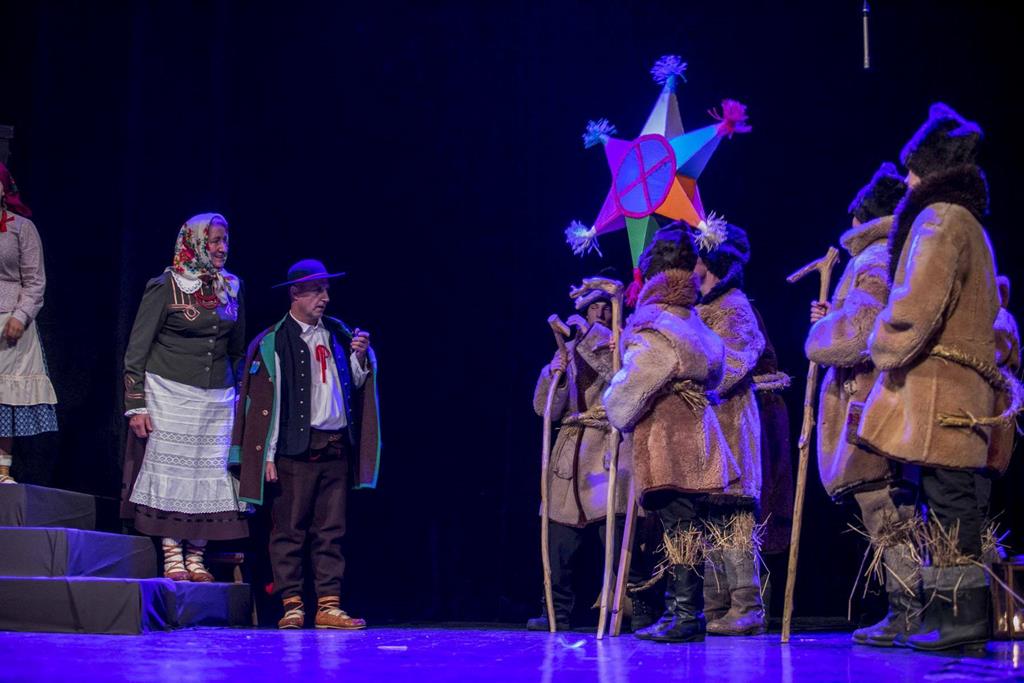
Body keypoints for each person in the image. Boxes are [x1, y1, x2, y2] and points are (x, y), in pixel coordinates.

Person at [857, 103, 998, 651]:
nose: (908, 182)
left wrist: (882, 344)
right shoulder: (969, 222)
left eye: (913, 171)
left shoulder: (939, 219)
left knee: (950, 498)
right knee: (950, 495)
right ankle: (950, 615)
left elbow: (917, 303)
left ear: (931, 171)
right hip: (962, 384)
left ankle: (961, 618)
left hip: (943, 385)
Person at [230, 259, 381, 630]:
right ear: (295, 293)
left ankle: (328, 605)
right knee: (289, 530)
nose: (324, 298)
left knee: (331, 531)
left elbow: (355, 387)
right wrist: (266, 455)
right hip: (294, 451)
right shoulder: (274, 341)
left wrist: (360, 358)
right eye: (316, 290)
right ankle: (292, 604)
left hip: (335, 447)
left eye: (326, 290)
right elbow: (263, 403)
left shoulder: (339, 334)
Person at [805, 162, 918, 646]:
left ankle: (909, 610)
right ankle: (910, 609)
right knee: (887, 506)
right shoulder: (889, 254)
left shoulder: (873, 258)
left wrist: (820, 334)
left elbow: (859, 331)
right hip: (877, 394)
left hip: (868, 398)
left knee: (884, 507)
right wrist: (832, 312)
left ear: (862, 217)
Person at [603, 225, 731, 643]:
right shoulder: (692, 320)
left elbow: (636, 381)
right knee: (686, 522)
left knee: (680, 524)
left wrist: (614, 406)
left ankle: (685, 614)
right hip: (699, 432)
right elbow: (718, 366)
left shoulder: (655, 325)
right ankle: (684, 611)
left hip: (668, 438)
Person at [121, 213, 248, 580]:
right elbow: (137, 350)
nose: (222, 248)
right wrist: (136, 403)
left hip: (217, 399)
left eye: (225, 240)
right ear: (195, 243)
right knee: (173, 473)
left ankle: (196, 555)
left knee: (209, 474)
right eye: (215, 241)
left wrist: (241, 394)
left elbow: (237, 350)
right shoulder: (166, 285)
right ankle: (172, 553)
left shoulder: (232, 287)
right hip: (170, 393)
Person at [528, 278, 631, 631]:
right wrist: (553, 376)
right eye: (592, 308)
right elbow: (545, 409)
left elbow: (618, 378)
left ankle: (630, 609)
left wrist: (589, 336)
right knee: (559, 539)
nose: (599, 314)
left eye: (605, 308)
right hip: (571, 452)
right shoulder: (570, 350)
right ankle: (554, 611)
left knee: (616, 539)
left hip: (608, 449)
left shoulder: (623, 345)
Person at [694, 224, 767, 636]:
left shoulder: (733, 306)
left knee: (735, 516)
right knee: (713, 518)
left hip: (731, 423)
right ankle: (716, 604)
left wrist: (694, 380)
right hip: (709, 427)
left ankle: (746, 605)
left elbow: (734, 361)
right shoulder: (704, 308)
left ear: (709, 262)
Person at [0, 163, 57, 484]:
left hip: (10, 324)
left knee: (5, 397)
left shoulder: (21, 228)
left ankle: (2, 468)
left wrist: (21, 316)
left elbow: (35, 281)